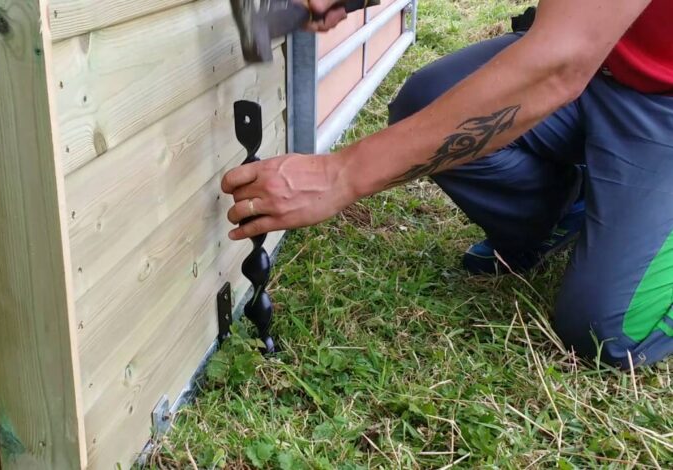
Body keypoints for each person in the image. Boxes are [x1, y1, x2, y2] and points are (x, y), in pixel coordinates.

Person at [220, 0, 673, 369]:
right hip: (607, 58)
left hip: (658, 103)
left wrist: (338, 176)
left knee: (605, 332)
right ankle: (566, 212)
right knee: (426, 108)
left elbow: (558, 65)